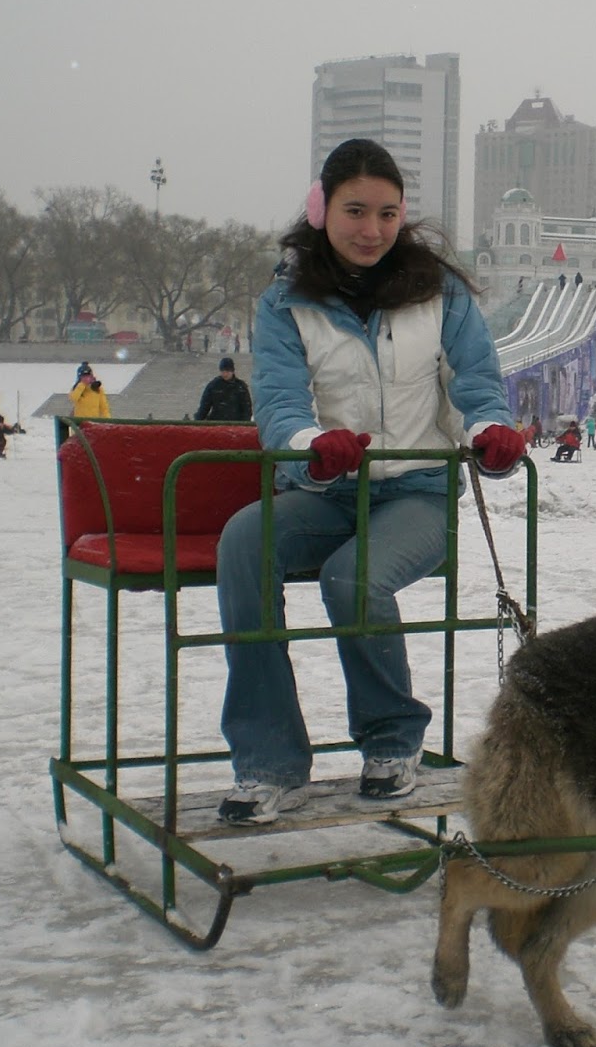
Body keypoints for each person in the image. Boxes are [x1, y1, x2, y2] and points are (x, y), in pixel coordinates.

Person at [214, 138, 523, 826]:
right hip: (325, 492)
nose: (371, 230)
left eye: (387, 213)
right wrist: (311, 450)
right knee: (243, 542)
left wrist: (489, 434)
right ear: (321, 209)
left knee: (353, 578)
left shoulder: (439, 293)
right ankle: (268, 757)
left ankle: (391, 739)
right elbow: (281, 405)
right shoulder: (286, 304)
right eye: (355, 211)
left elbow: (476, 382)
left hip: (416, 492)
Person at [195, 356, 254, 421]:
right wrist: (198, 420)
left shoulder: (241, 387)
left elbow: (246, 409)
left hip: (235, 424)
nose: (225, 374)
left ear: (232, 371)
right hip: (217, 423)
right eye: (223, 371)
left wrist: (243, 424)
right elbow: (204, 406)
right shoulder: (213, 386)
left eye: (227, 371)